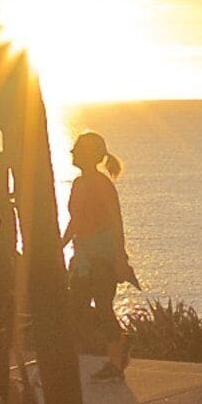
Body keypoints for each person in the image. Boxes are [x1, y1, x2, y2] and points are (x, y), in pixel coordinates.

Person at [63, 130, 137, 381]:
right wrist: (59, 244)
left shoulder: (102, 184)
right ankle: (117, 343)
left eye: (77, 149)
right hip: (83, 254)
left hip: (103, 254)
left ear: (88, 155)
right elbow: (75, 219)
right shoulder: (79, 183)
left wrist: (119, 258)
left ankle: (115, 362)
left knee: (103, 306)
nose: (72, 152)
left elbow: (116, 222)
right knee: (76, 306)